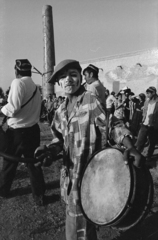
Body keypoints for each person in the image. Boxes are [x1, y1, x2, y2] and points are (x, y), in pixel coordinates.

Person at [34, 59, 143, 240]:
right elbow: (59, 139)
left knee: (77, 231)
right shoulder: (60, 111)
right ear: (58, 83)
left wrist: (130, 145)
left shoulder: (92, 102)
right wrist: (50, 151)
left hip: (92, 178)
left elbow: (112, 125)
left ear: (80, 78)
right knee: (82, 227)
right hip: (70, 180)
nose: (68, 79)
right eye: (63, 77)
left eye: (73, 75)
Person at [0, 59, 45, 206]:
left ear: (16, 71)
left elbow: (13, 108)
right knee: (34, 164)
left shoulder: (17, 83)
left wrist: (2, 110)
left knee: (10, 163)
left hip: (18, 133)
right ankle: (39, 195)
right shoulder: (35, 86)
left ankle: (4, 191)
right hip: (33, 130)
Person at [135, 86, 158, 161]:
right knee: (140, 141)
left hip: (153, 126)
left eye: (148, 93)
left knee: (152, 142)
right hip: (145, 124)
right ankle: (137, 154)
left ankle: (149, 156)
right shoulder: (146, 101)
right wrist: (143, 118)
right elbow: (144, 111)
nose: (147, 95)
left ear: (153, 93)